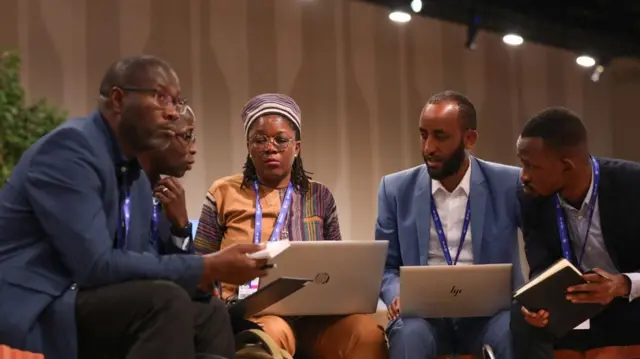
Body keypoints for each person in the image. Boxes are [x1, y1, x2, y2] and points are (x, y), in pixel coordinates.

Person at [0, 55, 267, 359]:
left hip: (82, 300)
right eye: (161, 97)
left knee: (209, 312)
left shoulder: (134, 175)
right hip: (38, 305)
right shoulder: (70, 151)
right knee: (162, 301)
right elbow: (95, 266)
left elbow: (141, 262)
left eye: (176, 102)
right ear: (118, 99)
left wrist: (201, 280)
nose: (171, 113)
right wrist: (206, 265)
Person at [194, 93, 387, 359]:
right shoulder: (223, 192)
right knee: (275, 331)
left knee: (367, 333)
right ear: (249, 147)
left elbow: (337, 264)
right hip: (252, 313)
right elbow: (201, 261)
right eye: (259, 139)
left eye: (280, 140)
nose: (270, 147)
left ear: (296, 147)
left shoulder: (319, 196)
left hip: (313, 314)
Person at [376, 90, 523, 359]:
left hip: (491, 314)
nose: (427, 147)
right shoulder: (395, 189)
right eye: (423, 134)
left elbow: (542, 247)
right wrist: (398, 295)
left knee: (513, 330)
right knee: (409, 335)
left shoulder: (509, 183)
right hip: (424, 316)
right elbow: (386, 266)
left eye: (440, 136)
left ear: (469, 139)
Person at [511, 107, 640, 358]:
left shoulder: (633, 185)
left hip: (630, 296)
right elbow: (541, 264)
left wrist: (621, 284)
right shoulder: (531, 196)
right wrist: (538, 303)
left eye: (530, 166)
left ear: (566, 165)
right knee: (520, 317)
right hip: (575, 302)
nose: (523, 176)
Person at [138, 105, 198, 255]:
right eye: (187, 136)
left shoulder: (166, 196)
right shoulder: (118, 190)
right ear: (157, 137)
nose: (193, 149)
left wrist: (181, 228)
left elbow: (184, 273)